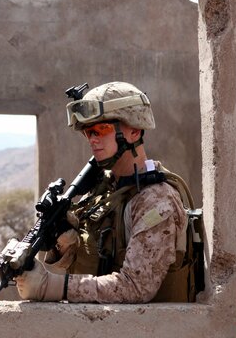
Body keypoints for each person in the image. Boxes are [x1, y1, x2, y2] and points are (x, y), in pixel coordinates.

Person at [16, 81, 192, 303]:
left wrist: (50, 287)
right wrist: (63, 240)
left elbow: (135, 287)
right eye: (89, 133)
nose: (93, 140)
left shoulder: (156, 200)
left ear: (134, 131)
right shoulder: (103, 190)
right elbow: (84, 262)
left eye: (102, 130)